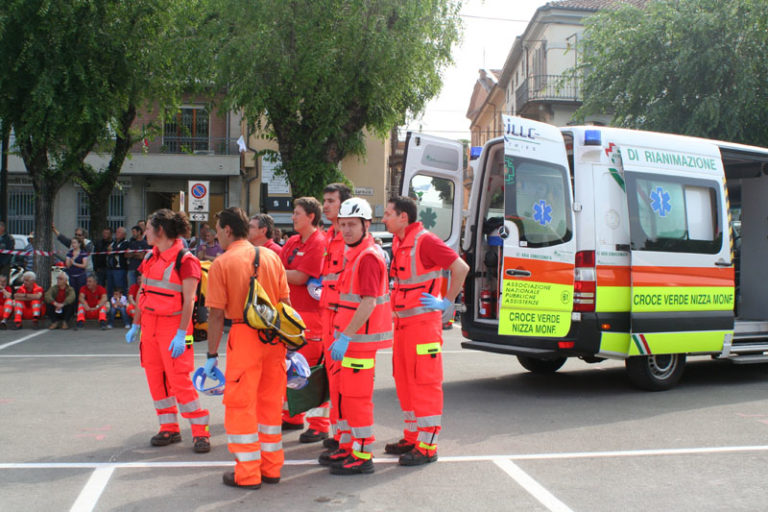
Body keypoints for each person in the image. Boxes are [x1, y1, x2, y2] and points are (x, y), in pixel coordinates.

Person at [203, 207, 290, 489]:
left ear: (228, 230)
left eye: (217, 231)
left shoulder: (222, 263)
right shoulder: (272, 256)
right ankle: (272, 468)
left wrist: (211, 356)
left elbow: (215, 315)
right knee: (270, 405)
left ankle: (248, 474)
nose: (217, 236)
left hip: (243, 336)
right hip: (274, 338)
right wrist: (291, 347)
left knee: (241, 406)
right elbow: (286, 307)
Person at [383, 196, 469, 466]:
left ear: (403, 217)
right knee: (405, 382)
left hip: (423, 327)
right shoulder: (400, 241)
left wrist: (448, 302)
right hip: (405, 326)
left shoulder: (425, 240)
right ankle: (412, 436)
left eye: (387, 214)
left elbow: (460, 267)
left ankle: (428, 446)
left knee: (424, 384)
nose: (383, 218)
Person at [125, 209, 210, 454]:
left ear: (160, 231)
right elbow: (143, 292)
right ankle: (169, 427)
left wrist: (182, 334)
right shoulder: (150, 257)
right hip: (150, 327)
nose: (146, 233)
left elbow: (189, 301)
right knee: (155, 378)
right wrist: (137, 324)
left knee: (179, 379)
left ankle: (200, 432)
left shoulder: (185, 260)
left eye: (149, 228)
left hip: (174, 327)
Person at [318, 197, 392, 475]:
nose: (346, 230)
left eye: (352, 225)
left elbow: (368, 302)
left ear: (366, 225)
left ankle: (362, 455)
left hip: (358, 343)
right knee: (347, 397)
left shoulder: (368, 257)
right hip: (350, 341)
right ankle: (349, 447)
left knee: (357, 400)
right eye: (342, 224)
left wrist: (346, 336)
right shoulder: (355, 253)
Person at [279, 197, 329, 442]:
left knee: (309, 371)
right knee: (289, 368)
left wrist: (275, 273)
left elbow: (300, 277)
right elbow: (285, 270)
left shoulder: (319, 243)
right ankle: (293, 416)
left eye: (297, 213)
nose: (292, 217)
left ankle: (319, 424)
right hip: (291, 315)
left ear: (311, 216)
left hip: (312, 318)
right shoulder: (292, 241)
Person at [316, 182, 352, 452]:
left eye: (331, 200)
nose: (325, 205)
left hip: (342, 318)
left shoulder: (349, 238)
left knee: (344, 382)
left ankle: (347, 437)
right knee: (333, 379)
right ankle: (339, 433)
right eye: (324, 200)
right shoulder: (330, 235)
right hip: (327, 315)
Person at [107, 226, 130, 298]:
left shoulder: (125, 243)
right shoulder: (113, 243)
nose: (117, 234)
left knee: (119, 287)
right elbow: (108, 250)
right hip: (110, 268)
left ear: (124, 234)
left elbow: (119, 250)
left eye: (119, 232)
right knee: (110, 287)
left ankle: (121, 302)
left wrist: (112, 250)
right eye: (116, 232)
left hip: (119, 269)